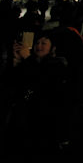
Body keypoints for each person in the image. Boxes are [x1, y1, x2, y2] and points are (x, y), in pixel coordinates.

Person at [0, 30, 71, 161]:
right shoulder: (30, 62)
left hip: (44, 121)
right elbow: (12, 84)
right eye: (37, 42)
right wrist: (15, 61)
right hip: (24, 118)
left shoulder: (56, 64)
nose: (39, 46)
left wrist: (27, 59)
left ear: (52, 48)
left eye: (44, 43)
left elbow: (42, 83)